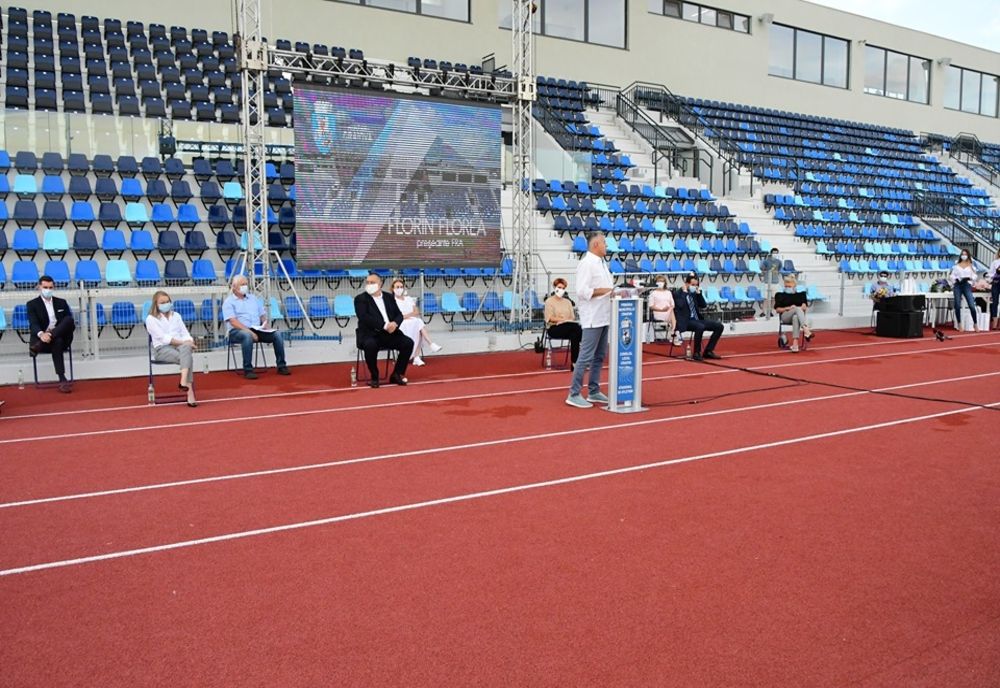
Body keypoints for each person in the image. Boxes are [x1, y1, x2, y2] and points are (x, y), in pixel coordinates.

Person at [566, 233, 614, 408]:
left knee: (599, 356)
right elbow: (582, 291)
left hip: (604, 315)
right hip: (593, 317)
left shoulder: (601, 263)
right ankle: (574, 393)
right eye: (604, 243)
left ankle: (593, 390)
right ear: (595, 245)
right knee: (585, 356)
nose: (606, 246)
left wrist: (612, 291)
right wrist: (607, 290)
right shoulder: (586, 264)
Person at [222, 275, 291, 378]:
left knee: (277, 334)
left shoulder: (253, 298)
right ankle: (248, 370)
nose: (245, 286)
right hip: (237, 331)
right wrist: (250, 332)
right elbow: (233, 322)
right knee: (247, 336)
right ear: (234, 287)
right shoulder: (229, 302)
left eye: (246, 284)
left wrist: (266, 326)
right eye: (242, 284)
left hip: (256, 329)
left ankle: (281, 366)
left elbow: (262, 315)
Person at [355, 272, 413, 387]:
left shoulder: (388, 297)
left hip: (390, 333)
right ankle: (374, 376)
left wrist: (395, 324)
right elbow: (364, 317)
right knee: (370, 345)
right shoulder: (360, 299)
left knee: (408, 343)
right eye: (367, 282)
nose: (369, 284)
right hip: (371, 334)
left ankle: (396, 374)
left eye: (372, 282)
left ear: (380, 284)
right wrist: (385, 325)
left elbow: (399, 314)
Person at [145, 290, 197, 407]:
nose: (166, 304)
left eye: (168, 301)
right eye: (162, 302)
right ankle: (190, 392)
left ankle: (183, 382)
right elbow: (163, 338)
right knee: (187, 356)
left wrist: (189, 341)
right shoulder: (151, 319)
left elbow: (185, 333)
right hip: (162, 349)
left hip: (180, 346)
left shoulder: (176, 316)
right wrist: (185, 343)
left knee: (186, 349)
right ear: (156, 304)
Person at [26, 275, 76, 393]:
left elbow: (68, 324)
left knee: (69, 320)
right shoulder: (32, 304)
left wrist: (50, 334)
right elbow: (33, 324)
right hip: (43, 339)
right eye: (45, 287)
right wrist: (41, 334)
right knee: (56, 342)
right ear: (39, 287)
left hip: (57, 338)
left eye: (50, 287)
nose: (48, 290)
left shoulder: (61, 303)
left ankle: (43, 341)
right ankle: (62, 379)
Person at [390, 278, 442, 366]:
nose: (399, 289)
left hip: (412, 321)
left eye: (401, 287)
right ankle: (430, 344)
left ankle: (417, 357)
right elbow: (396, 316)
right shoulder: (391, 301)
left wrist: (407, 315)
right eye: (397, 287)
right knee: (418, 322)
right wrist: (407, 316)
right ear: (393, 289)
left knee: (418, 323)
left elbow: (416, 311)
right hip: (400, 323)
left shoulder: (408, 298)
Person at [673, 273, 723, 360]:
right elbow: (680, 305)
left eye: (696, 285)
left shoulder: (694, 293)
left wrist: (699, 294)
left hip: (696, 320)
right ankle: (696, 352)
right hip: (685, 321)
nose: (695, 287)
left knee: (719, 326)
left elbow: (703, 305)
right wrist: (685, 293)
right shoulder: (678, 293)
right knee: (700, 326)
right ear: (686, 284)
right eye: (693, 285)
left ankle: (708, 351)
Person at [543, 277, 582, 365]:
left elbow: (572, 317)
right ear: (555, 288)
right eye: (559, 288)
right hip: (554, 327)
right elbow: (549, 318)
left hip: (569, 327)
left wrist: (566, 321)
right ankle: (585, 341)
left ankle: (575, 363)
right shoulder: (549, 301)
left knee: (574, 335)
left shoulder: (568, 302)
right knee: (577, 329)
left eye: (563, 288)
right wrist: (561, 320)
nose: (561, 290)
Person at [774, 274, 813, 353]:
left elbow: (805, 307)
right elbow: (777, 309)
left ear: (794, 286)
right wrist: (787, 308)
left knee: (796, 317)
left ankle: (795, 345)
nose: (788, 288)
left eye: (790, 286)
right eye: (786, 286)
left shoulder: (801, 295)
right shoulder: (780, 295)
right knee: (796, 308)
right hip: (785, 315)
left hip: (797, 317)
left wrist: (803, 307)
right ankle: (806, 329)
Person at [950, 250, 980, 332]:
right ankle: (959, 323)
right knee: (957, 304)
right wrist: (956, 279)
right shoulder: (956, 266)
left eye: (965, 254)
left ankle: (975, 323)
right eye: (962, 254)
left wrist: (970, 278)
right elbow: (952, 276)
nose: (964, 255)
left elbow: (975, 276)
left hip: (966, 284)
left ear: (968, 255)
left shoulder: (971, 266)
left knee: (971, 304)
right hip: (958, 285)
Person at [647, 275, 680, 345]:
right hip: (658, 312)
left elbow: (672, 304)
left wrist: (668, 308)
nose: (660, 283)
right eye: (659, 281)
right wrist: (661, 309)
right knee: (673, 314)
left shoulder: (668, 292)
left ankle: (673, 332)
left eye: (662, 281)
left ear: (665, 283)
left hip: (669, 312)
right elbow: (651, 306)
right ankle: (674, 333)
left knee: (672, 311)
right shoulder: (653, 293)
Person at [761, 247, 783, 315]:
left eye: (776, 253)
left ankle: (771, 311)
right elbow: (762, 268)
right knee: (766, 298)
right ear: (771, 253)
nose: (775, 254)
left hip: (775, 282)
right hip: (767, 281)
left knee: (773, 298)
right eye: (774, 253)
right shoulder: (766, 261)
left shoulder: (779, 262)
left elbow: (779, 269)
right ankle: (763, 312)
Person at [987, 248, 1000, 331]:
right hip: (996, 283)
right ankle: (994, 323)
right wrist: (996, 273)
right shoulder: (995, 262)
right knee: (995, 302)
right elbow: (990, 273)